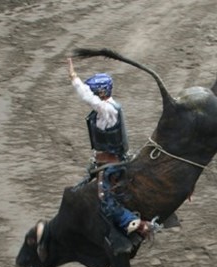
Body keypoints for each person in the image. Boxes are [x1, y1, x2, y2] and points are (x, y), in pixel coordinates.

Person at [68, 58, 159, 254]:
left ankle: (137, 225)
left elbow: (88, 98)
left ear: (101, 93)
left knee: (105, 201)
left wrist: (75, 79)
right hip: (105, 160)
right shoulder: (110, 106)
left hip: (112, 163)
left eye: (94, 91)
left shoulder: (106, 109)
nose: (92, 94)